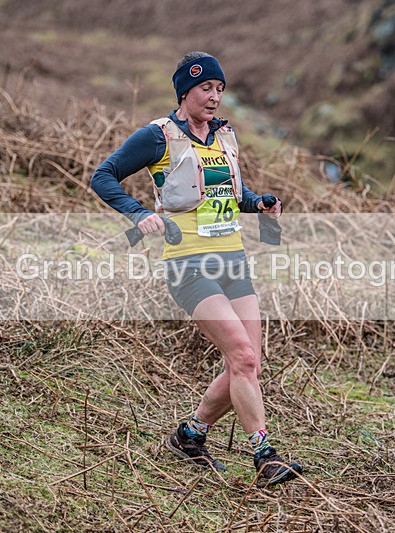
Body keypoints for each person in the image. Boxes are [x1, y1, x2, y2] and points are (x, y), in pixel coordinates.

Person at [90, 51, 303, 488]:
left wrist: (259, 202)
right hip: (187, 264)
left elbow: (230, 195)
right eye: (206, 88)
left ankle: (189, 436)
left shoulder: (225, 137)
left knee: (247, 365)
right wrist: (137, 212)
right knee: (242, 356)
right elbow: (103, 175)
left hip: (232, 260)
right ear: (185, 92)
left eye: (220, 89)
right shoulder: (158, 136)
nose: (215, 97)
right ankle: (265, 455)